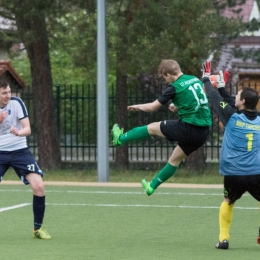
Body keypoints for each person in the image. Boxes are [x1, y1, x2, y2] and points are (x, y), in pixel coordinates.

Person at [111, 59, 212, 195]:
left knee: (152, 127)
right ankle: (151, 187)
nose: (165, 80)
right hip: (203, 133)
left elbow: (153, 107)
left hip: (188, 127)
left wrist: (138, 106)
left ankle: (120, 139)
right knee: (174, 159)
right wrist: (178, 106)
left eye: (164, 77)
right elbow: (197, 100)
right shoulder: (194, 79)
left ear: (169, 74)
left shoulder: (174, 87)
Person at [202, 61, 260, 249]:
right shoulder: (258, 119)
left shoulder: (232, 117)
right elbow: (228, 101)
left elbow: (214, 98)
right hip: (256, 172)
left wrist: (206, 79)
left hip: (234, 173)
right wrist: (222, 88)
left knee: (228, 201)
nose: (235, 97)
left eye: (238, 96)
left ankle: (223, 239)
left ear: (242, 102)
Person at [0, 79, 51, 240]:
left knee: (39, 186)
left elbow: (27, 129)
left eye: (9, 92)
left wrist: (18, 133)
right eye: (4, 93)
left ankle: (38, 228)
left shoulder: (17, 103)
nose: (8, 96)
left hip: (19, 150)